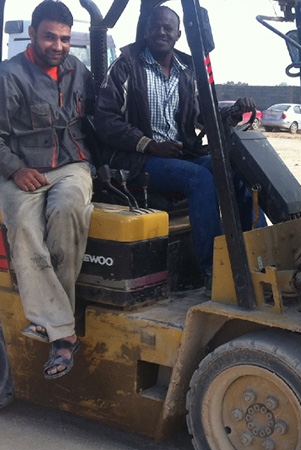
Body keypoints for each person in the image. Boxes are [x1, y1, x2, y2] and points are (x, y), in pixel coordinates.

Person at [94, 5, 261, 282]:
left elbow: (202, 115)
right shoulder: (126, 65)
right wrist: (149, 144)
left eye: (168, 28)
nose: (161, 32)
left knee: (235, 169)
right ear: (146, 31)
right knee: (200, 179)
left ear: (178, 34)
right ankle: (214, 271)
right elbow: (105, 120)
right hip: (136, 160)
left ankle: (257, 252)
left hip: (179, 156)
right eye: (156, 27)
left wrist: (232, 113)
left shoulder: (187, 70)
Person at [0, 0, 95, 379]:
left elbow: (100, 115)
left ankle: (51, 321)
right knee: (23, 226)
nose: (58, 46)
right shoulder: (9, 75)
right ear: (32, 34)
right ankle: (64, 334)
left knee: (69, 207)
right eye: (50, 37)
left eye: (65, 39)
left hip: (71, 164)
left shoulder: (78, 70)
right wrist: (15, 168)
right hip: (23, 168)